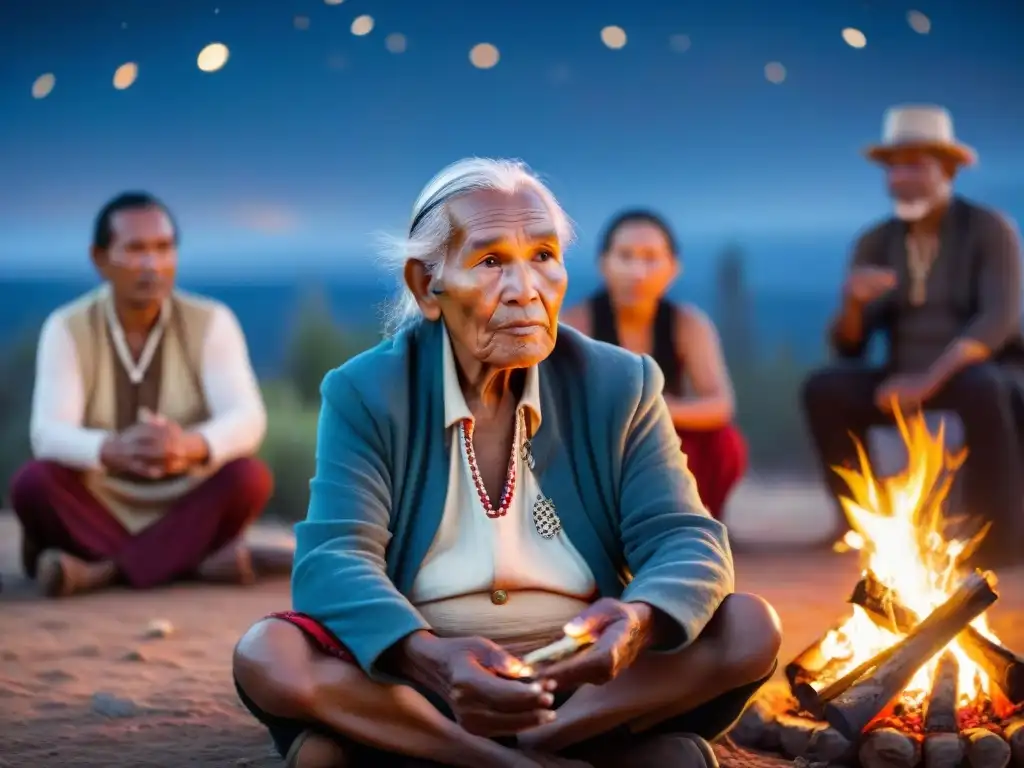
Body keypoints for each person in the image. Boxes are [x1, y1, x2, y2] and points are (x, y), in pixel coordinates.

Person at [232, 159, 781, 768]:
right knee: (269, 654)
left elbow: (685, 538)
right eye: (491, 262)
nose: (527, 288)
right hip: (424, 685)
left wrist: (639, 621)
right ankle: (507, 757)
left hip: (586, 686)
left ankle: (525, 744)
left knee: (750, 627)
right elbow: (334, 558)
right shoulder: (366, 391)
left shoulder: (620, 382)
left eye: (543, 255)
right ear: (425, 286)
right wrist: (429, 658)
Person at [8, 192, 285, 598]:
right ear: (100, 258)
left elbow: (247, 418)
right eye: (135, 249)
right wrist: (111, 449)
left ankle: (99, 571)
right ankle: (193, 560)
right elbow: (47, 433)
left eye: (163, 248)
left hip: (184, 498)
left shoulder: (211, 321)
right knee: (33, 484)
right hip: (100, 495)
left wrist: (189, 446)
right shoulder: (67, 327)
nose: (152, 264)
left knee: (249, 478)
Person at [802, 105, 1024, 566]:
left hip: (978, 372)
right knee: (824, 389)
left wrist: (928, 380)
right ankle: (862, 522)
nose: (901, 178)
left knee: (985, 388)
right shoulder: (877, 240)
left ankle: (998, 537)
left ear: (947, 168)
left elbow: (997, 321)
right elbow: (849, 346)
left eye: (915, 165)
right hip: (901, 373)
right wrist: (854, 303)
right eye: (894, 167)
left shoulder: (989, 230)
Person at [562, 211, 746, 520]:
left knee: (724, 444)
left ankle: (698, 522)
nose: (638, 271)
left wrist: (654, 408)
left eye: (650, 258)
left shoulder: (688, 325)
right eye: (625, 256)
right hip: (600, 443)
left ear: (673, 268)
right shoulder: (575, 323)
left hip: (665, 436)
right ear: (604, 264)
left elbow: (720, 405)